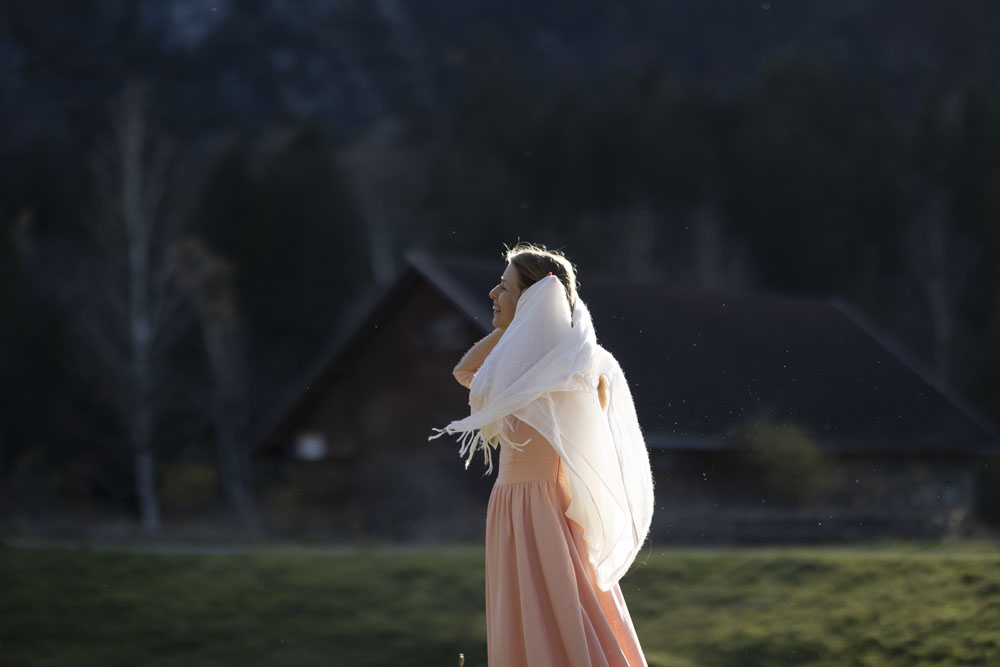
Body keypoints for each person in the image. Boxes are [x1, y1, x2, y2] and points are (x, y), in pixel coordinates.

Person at [430, 243, 653, 666]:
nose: (494, 295)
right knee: (525, 608)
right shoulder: (519, 366)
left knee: (565, 602)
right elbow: (467, 375)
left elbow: (468, 374)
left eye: (504, 288)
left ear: (533, 298)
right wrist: (511, 328)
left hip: (545, 503)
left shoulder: (572, 369)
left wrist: (513, 329)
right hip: (513, 500)